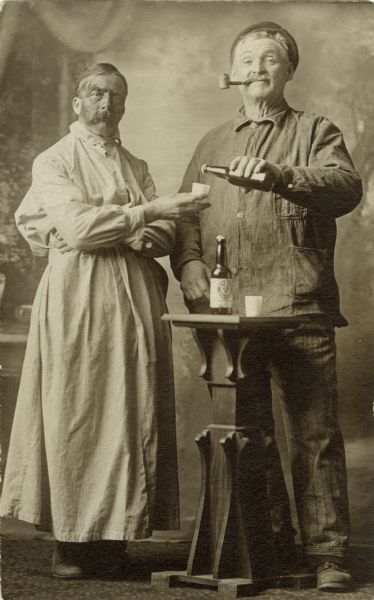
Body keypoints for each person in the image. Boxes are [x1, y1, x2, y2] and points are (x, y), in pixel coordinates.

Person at [171, 22, 362, 592]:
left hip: (298, 305)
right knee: (249, 435)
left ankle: (328, 554)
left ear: (288, 71)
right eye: (247, 58)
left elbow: (345, 188)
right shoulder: (210, 143)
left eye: (270, 58)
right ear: (233, 73)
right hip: (233, 317)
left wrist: (281, 176)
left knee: (315, 434)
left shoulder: (315, 130)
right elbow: (185, 216)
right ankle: (274, 547)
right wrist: (189, 265)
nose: (258, 67)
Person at [0, 63, 210, 579]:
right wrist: (142, 216)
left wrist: (132, 227)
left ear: (124, 104)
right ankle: (69, 541)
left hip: (134, 298)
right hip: (79, 296)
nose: (106, 103)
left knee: (128, 409)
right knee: (79, 409)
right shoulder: (56, 160)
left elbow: (165, 236)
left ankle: (116, 535)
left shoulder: (135, 164)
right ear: (78, 103)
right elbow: (74, 226)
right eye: (96, 93)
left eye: (116, 95)